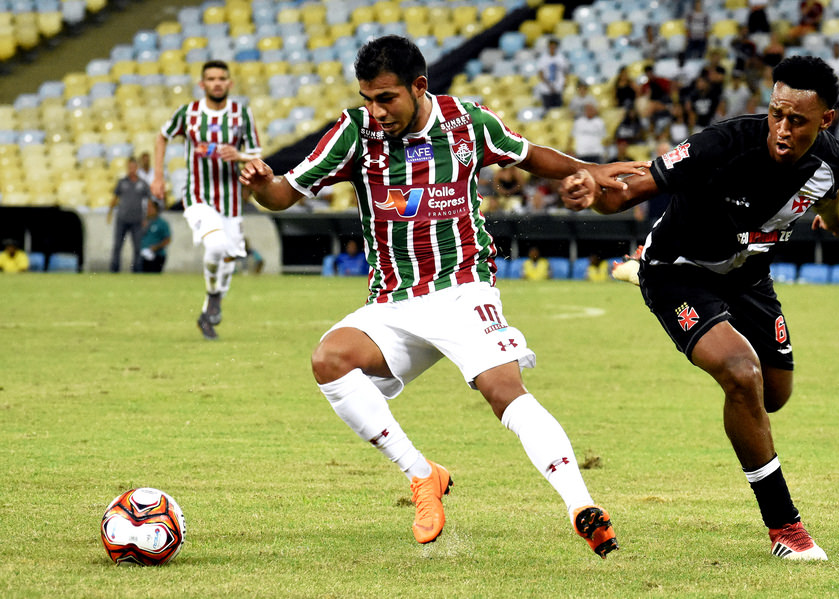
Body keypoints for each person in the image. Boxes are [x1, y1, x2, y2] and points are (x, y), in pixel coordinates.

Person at [239, 35, 645, 557]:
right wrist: (261, 184)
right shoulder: (355, 132)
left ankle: (581, 506)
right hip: (394, 301)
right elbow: (282, 195)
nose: (377, 111)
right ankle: (421, 474)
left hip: (462, 288)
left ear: (418, 86)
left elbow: (528, 155)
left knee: (503, 389)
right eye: (368, 99)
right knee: (330, 360)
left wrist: (586, 169)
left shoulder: (467, 122)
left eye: (387, 98)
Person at [560, 55, 839, 561]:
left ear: (825, 120)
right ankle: (785, 528)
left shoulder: (833, 162)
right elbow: (629, 190)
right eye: (776, 114)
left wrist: (838, 220)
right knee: (741, 374)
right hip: (678, 270)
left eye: (797, 120)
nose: (782, 129)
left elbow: (829, 197)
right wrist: (594, 193)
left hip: (748, 277)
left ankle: (640, 275)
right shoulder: (723, 144)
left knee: (774, 396)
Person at [151, 59, 262, 341]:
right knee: (216, 245)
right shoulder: (188, 113)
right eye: (211, 79)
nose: (216, 83)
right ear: (202, 84)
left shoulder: (241, 114)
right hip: (198, 196)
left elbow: (256, 154)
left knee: (228, 259)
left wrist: (239, 155)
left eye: (221, 78)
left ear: (229, 83)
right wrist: (158, 177)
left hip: (231, 200)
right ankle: (213, 298)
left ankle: (207, 314)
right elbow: (162, 137)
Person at [107, 157, 152, 273]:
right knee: (117, 245)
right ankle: (114, 269)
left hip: (137, 220)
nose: (132, 169)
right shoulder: (122, 182)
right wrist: (110, 213)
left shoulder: (142, 184)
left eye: (134, 167)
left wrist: (146, 218)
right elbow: (115, 198)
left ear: (137, 168)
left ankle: (137, 270)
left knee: (137, 247)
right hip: (122, 219)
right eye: (130, 167)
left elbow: (149, 201)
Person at [534, 38, 569, 111]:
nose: (552, 49)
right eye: (551, 47)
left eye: (554, 47)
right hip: (546, 89)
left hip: (558, 88)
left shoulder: (561, 58)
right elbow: (541, 73)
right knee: (547, 110)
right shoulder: (543, 58)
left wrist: (564, 83)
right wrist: (549, 86)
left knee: (558, 110)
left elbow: (565, 72)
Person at [139, 198, 171, 273]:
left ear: (156, 209)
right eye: (147, 207)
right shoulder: (143, 222)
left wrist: (156, 247)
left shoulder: (162, 223)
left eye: (150, 207)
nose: (148, 210)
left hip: (157, 255)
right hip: (142, 254)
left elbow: (167, 239)